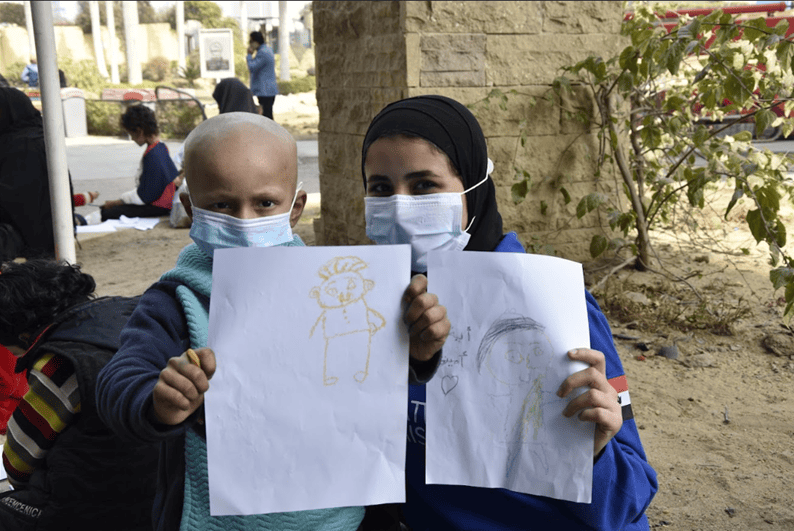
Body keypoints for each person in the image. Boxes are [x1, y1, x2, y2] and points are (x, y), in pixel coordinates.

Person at [95, 112, 450, 531]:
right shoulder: (175, 302)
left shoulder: (337, 285)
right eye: (222, 205)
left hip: (336, 518)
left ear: (295, 207)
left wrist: (420, 353)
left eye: (265, 203)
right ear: (191, 209)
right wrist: (158, 400)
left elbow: (371, 372)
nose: (245, 222)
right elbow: (117, 382)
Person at [360, 95, 658, 530]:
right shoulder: (364, 313)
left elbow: (629, 499)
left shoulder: (558, 307)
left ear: (474, 189)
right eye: (381, 189)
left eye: (424, 185)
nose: (401, 208)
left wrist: (594, 452)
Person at [0, 259, 159, 530]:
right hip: (161, 487)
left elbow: (17, 462)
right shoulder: (127, 310)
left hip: (104, 504)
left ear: (25, 334)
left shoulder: (61, 363)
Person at [0, 87, 86, 262]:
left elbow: (12, 202)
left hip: (31, 239)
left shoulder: (17, 146)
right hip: (56, 234)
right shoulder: (41, 136)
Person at [100, 104, 178, 221]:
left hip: (157, 206)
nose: (132, 139)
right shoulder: (161, 147)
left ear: (139, 131)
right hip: (161, 203)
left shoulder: (153, 155)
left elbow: (145, 196)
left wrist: (118, 201)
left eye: (131, 134)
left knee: (107, 213)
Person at [246, 31, 279, 119]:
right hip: (267, 90)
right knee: (267, 115)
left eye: (251, 42)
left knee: (266, 117)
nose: (250, 45)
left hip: (265, 91)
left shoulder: (263, 52)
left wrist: (249, 55)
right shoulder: (267, 50)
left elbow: (252, 67)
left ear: (256, 42)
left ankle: (270, 132)